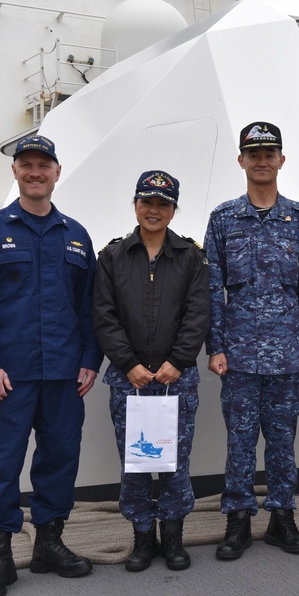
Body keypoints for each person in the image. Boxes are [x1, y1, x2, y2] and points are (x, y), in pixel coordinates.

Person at [0, 134, 104, 596]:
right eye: (27, 165)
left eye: (44, 165)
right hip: (7, 377)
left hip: (63, 376)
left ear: (57, 172)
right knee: (1, 465)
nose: (36, 172)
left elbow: (89, 309)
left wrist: (89, 361)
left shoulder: (76, 236)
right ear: (15, 172)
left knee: (59, 461)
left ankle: (49, 545)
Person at [204, 121, 299, 559]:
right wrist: (214, 346)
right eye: (253, 154)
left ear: (281, 160)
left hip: (287, 355)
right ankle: (237, 520)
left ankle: (281, 518)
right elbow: (211, 289)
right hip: (236, 355)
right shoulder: (222, 219)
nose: (261, 161)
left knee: (281, 441)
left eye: (269, 153)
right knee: (238, 442)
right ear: (241, 160)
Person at [93, 170, 209, 572]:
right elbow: (104, 316)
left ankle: (173, 537)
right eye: (147, 202)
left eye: (163, 203)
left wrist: (177, 362)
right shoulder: (112, 256)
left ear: (173, 209)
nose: (154, 210)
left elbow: (198, 314)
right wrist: (129, 365)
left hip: (178, 379)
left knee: (175, 461)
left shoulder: (191, 256)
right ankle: (143, 538)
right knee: (136, 461)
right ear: (136, 205)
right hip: (130, 382)